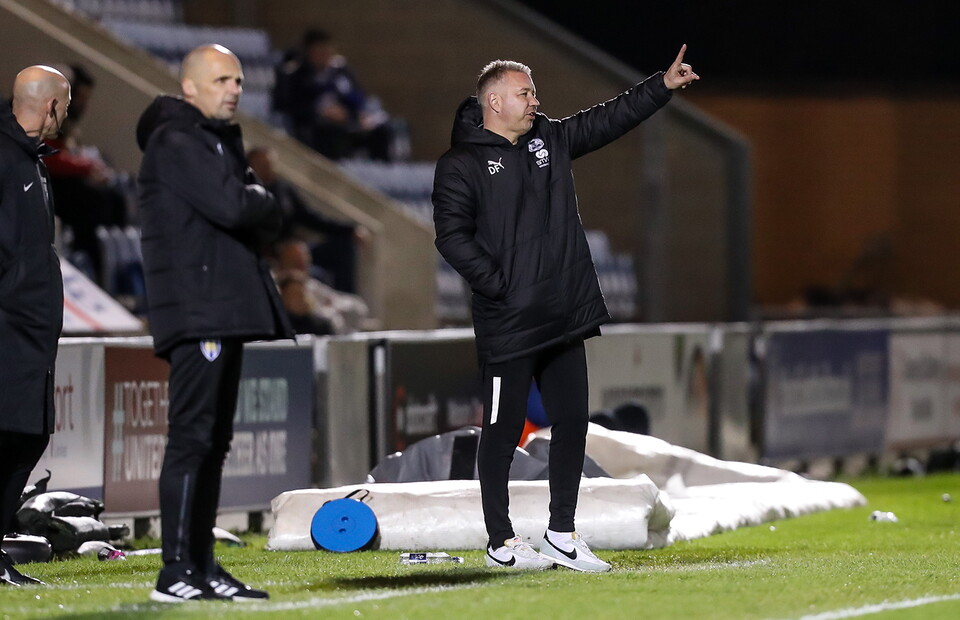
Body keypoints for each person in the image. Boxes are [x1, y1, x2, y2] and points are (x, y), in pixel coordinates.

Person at [432, 46, 698, 572]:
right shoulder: (460, 164)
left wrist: (660, 86)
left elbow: (608, 119)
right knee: (503, 430)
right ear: (494, 100)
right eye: (525, 92)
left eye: (534, 92)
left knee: (574, 421)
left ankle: (561, 532)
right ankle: (500, 541)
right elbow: (452, 238)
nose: (535, 100)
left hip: (562, 314)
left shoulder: (548, 141)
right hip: (509, 321)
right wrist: (501, 285)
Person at [135, 44, 293, 603]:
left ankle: (201, 567)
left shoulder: (210, 141)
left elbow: (259, 211)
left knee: (213, 441)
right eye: (221, 79)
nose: (233, 88)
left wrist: (259, 202)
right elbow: (236, 207)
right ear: (190, 88)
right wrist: (261, 199)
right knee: (193, 440)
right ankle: (175, 569)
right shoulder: (178, 141)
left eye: (238, 80)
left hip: (219, 309)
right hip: (199, 308)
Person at [0, 65, 71, 587]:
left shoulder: (32, 161)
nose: (65, 115)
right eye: (64, 105)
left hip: (30, 331)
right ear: (50, 106)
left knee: (28, 435)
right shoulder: (5, 160)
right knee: (10, 437)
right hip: (8, 327)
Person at [247, 145, 365, 293]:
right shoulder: (246, 192)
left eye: (270, 163)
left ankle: (347, 298)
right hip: (269, 253)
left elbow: (311, 218)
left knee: (343, 245)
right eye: (262, 164)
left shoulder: (283, 189)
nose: (268, 168)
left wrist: (349, 229)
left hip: (294, 247)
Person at [273, 29, 394, 160]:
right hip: (314, 126)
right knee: (329, 133)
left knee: (381, 131)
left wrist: (350, 114)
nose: (325, 56)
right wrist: (321, 111)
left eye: (327, 51)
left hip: (346, 121)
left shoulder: (341, 71)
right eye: (320, 52)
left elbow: (357, 97)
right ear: (309, 52)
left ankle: (381, 172)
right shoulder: (295, 75)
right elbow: (288, 106)